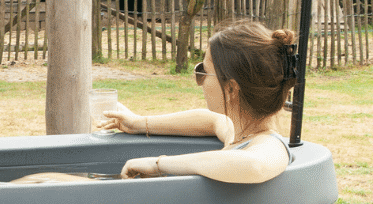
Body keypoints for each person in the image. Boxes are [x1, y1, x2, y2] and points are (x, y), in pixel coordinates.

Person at [98, 22, 299, 183]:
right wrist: (139, 123)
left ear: (231, 88)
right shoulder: (242, 133)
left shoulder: (270, 146)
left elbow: (254, 166)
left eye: (203, 71)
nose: (199, 81)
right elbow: (211, 120)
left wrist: (159, 163)